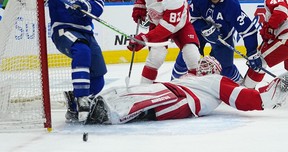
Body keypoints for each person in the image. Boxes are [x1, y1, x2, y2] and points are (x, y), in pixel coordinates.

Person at [18, 0, 107, 122]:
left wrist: (85, 7)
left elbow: (97, 5)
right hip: (63, 29)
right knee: (82, 51)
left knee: (98, 79)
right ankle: (81, 99)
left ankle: (73, 105)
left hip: (86, 31)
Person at [85, 56, 288, 125]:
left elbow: (244, 98)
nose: (205, 66)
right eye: (203, 63)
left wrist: (275, 88)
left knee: (146, 100)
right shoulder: (187, 77)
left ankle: (109, 114)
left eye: (209, 64)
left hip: (181, 97)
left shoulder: (217, 80)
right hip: (171, 90)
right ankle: (89, 104)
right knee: (133, 91)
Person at [171, 0, 260, 83]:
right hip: (198, 34)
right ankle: (173, 84)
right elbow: (192, 19)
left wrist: (252, 53)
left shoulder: (232, 5)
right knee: (184, 59)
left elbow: (248, 30)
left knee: (226, 68)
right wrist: (204, 28)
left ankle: (240, 88)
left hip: (222, 37)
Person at [128, 0, 200, 84]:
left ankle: (198, 86)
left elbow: (166, 29)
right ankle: (144, 88)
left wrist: (144, 39)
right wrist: (139, 7)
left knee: (192, 55)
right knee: (155, 57)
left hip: (181, 26)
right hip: (156, 24)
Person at [243, 0, 288, 88]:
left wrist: (269, 28)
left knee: (260, 61)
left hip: (285, 39)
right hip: (283, 37)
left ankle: (246, 90)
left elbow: (281, 12)